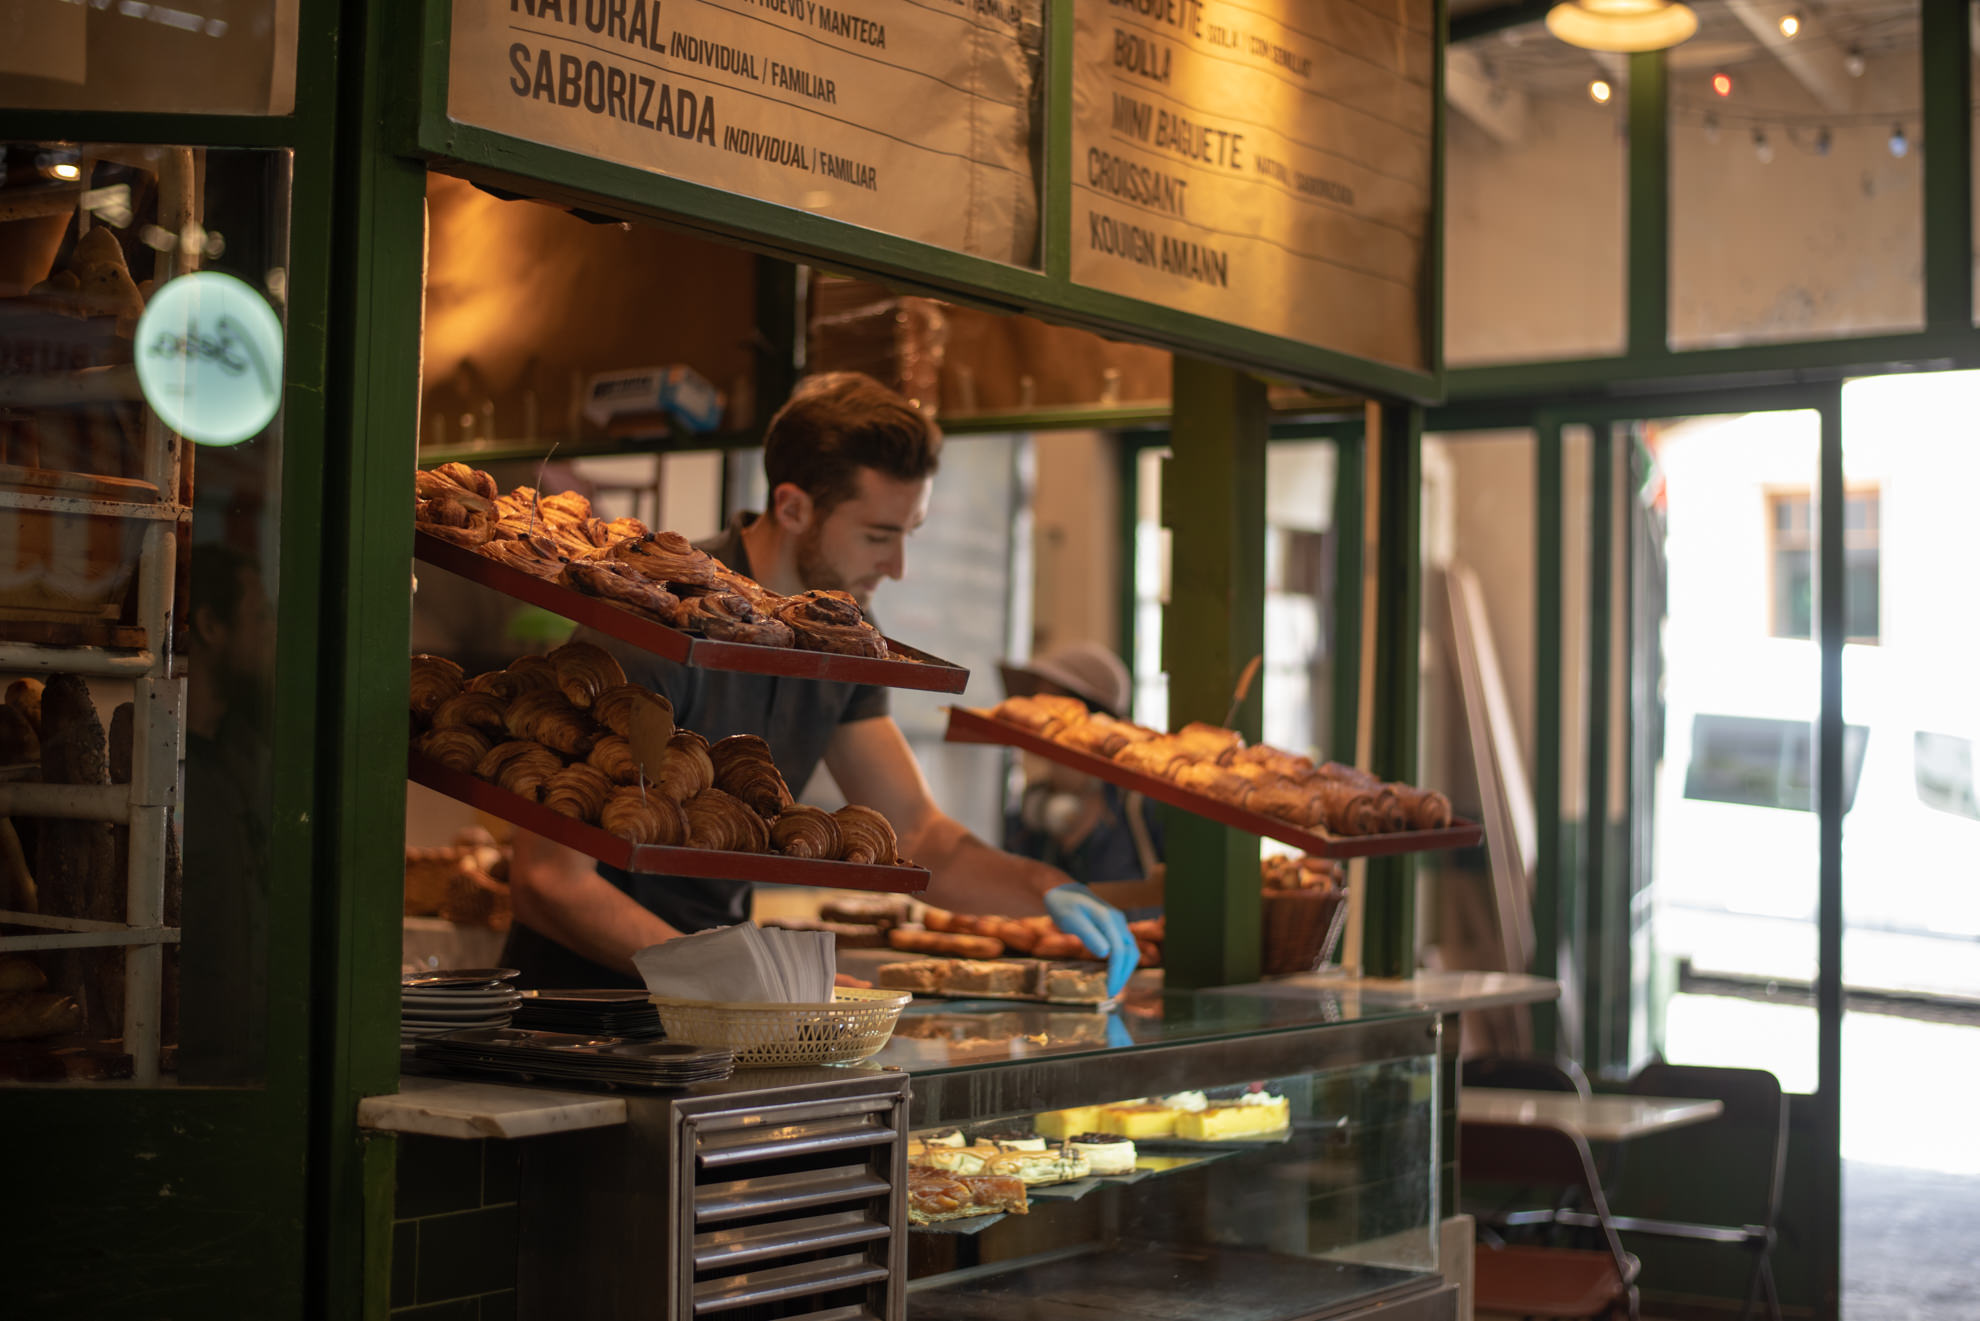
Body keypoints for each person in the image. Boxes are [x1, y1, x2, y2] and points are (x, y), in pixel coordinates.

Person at [502, 372, 1141, 994]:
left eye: (908, 535)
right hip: (581, 1016)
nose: (896, 567)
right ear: (793, 506)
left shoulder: (842, 638)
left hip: (724, 1011)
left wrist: (1046, 887)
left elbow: (916, 834)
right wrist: (736, 976)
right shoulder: (655, 618)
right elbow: (548, 880)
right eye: (877, 536)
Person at [180, 543, 275, 1083]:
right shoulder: (155, 770)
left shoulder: (256, 759)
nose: (272, 633)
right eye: (260, 616)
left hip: (256, 1071)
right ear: (212, 626)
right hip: (182, 1070)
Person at [999, 642, 1164, 894]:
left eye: (1055, 711)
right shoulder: (1027, 816)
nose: (1038, 721)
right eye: (1037, 708)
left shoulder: (1140, 810)